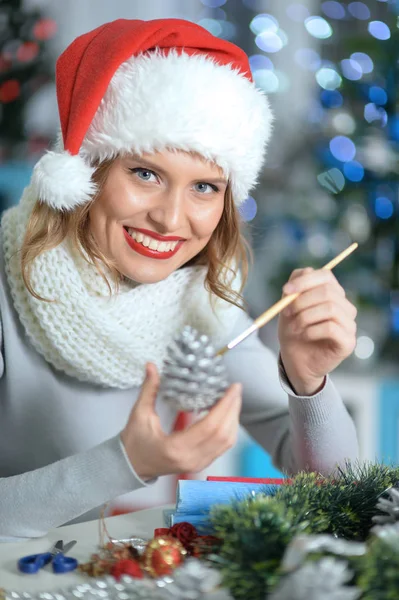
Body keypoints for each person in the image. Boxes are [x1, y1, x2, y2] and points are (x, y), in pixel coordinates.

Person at [0, 18, 358, 541]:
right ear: (87, 169)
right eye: (145, 173)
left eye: (205, 187)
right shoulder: (8, 284)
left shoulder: (200, 302)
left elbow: (341, 494)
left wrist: (309, 384)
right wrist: (124, 462)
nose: (171, 219)